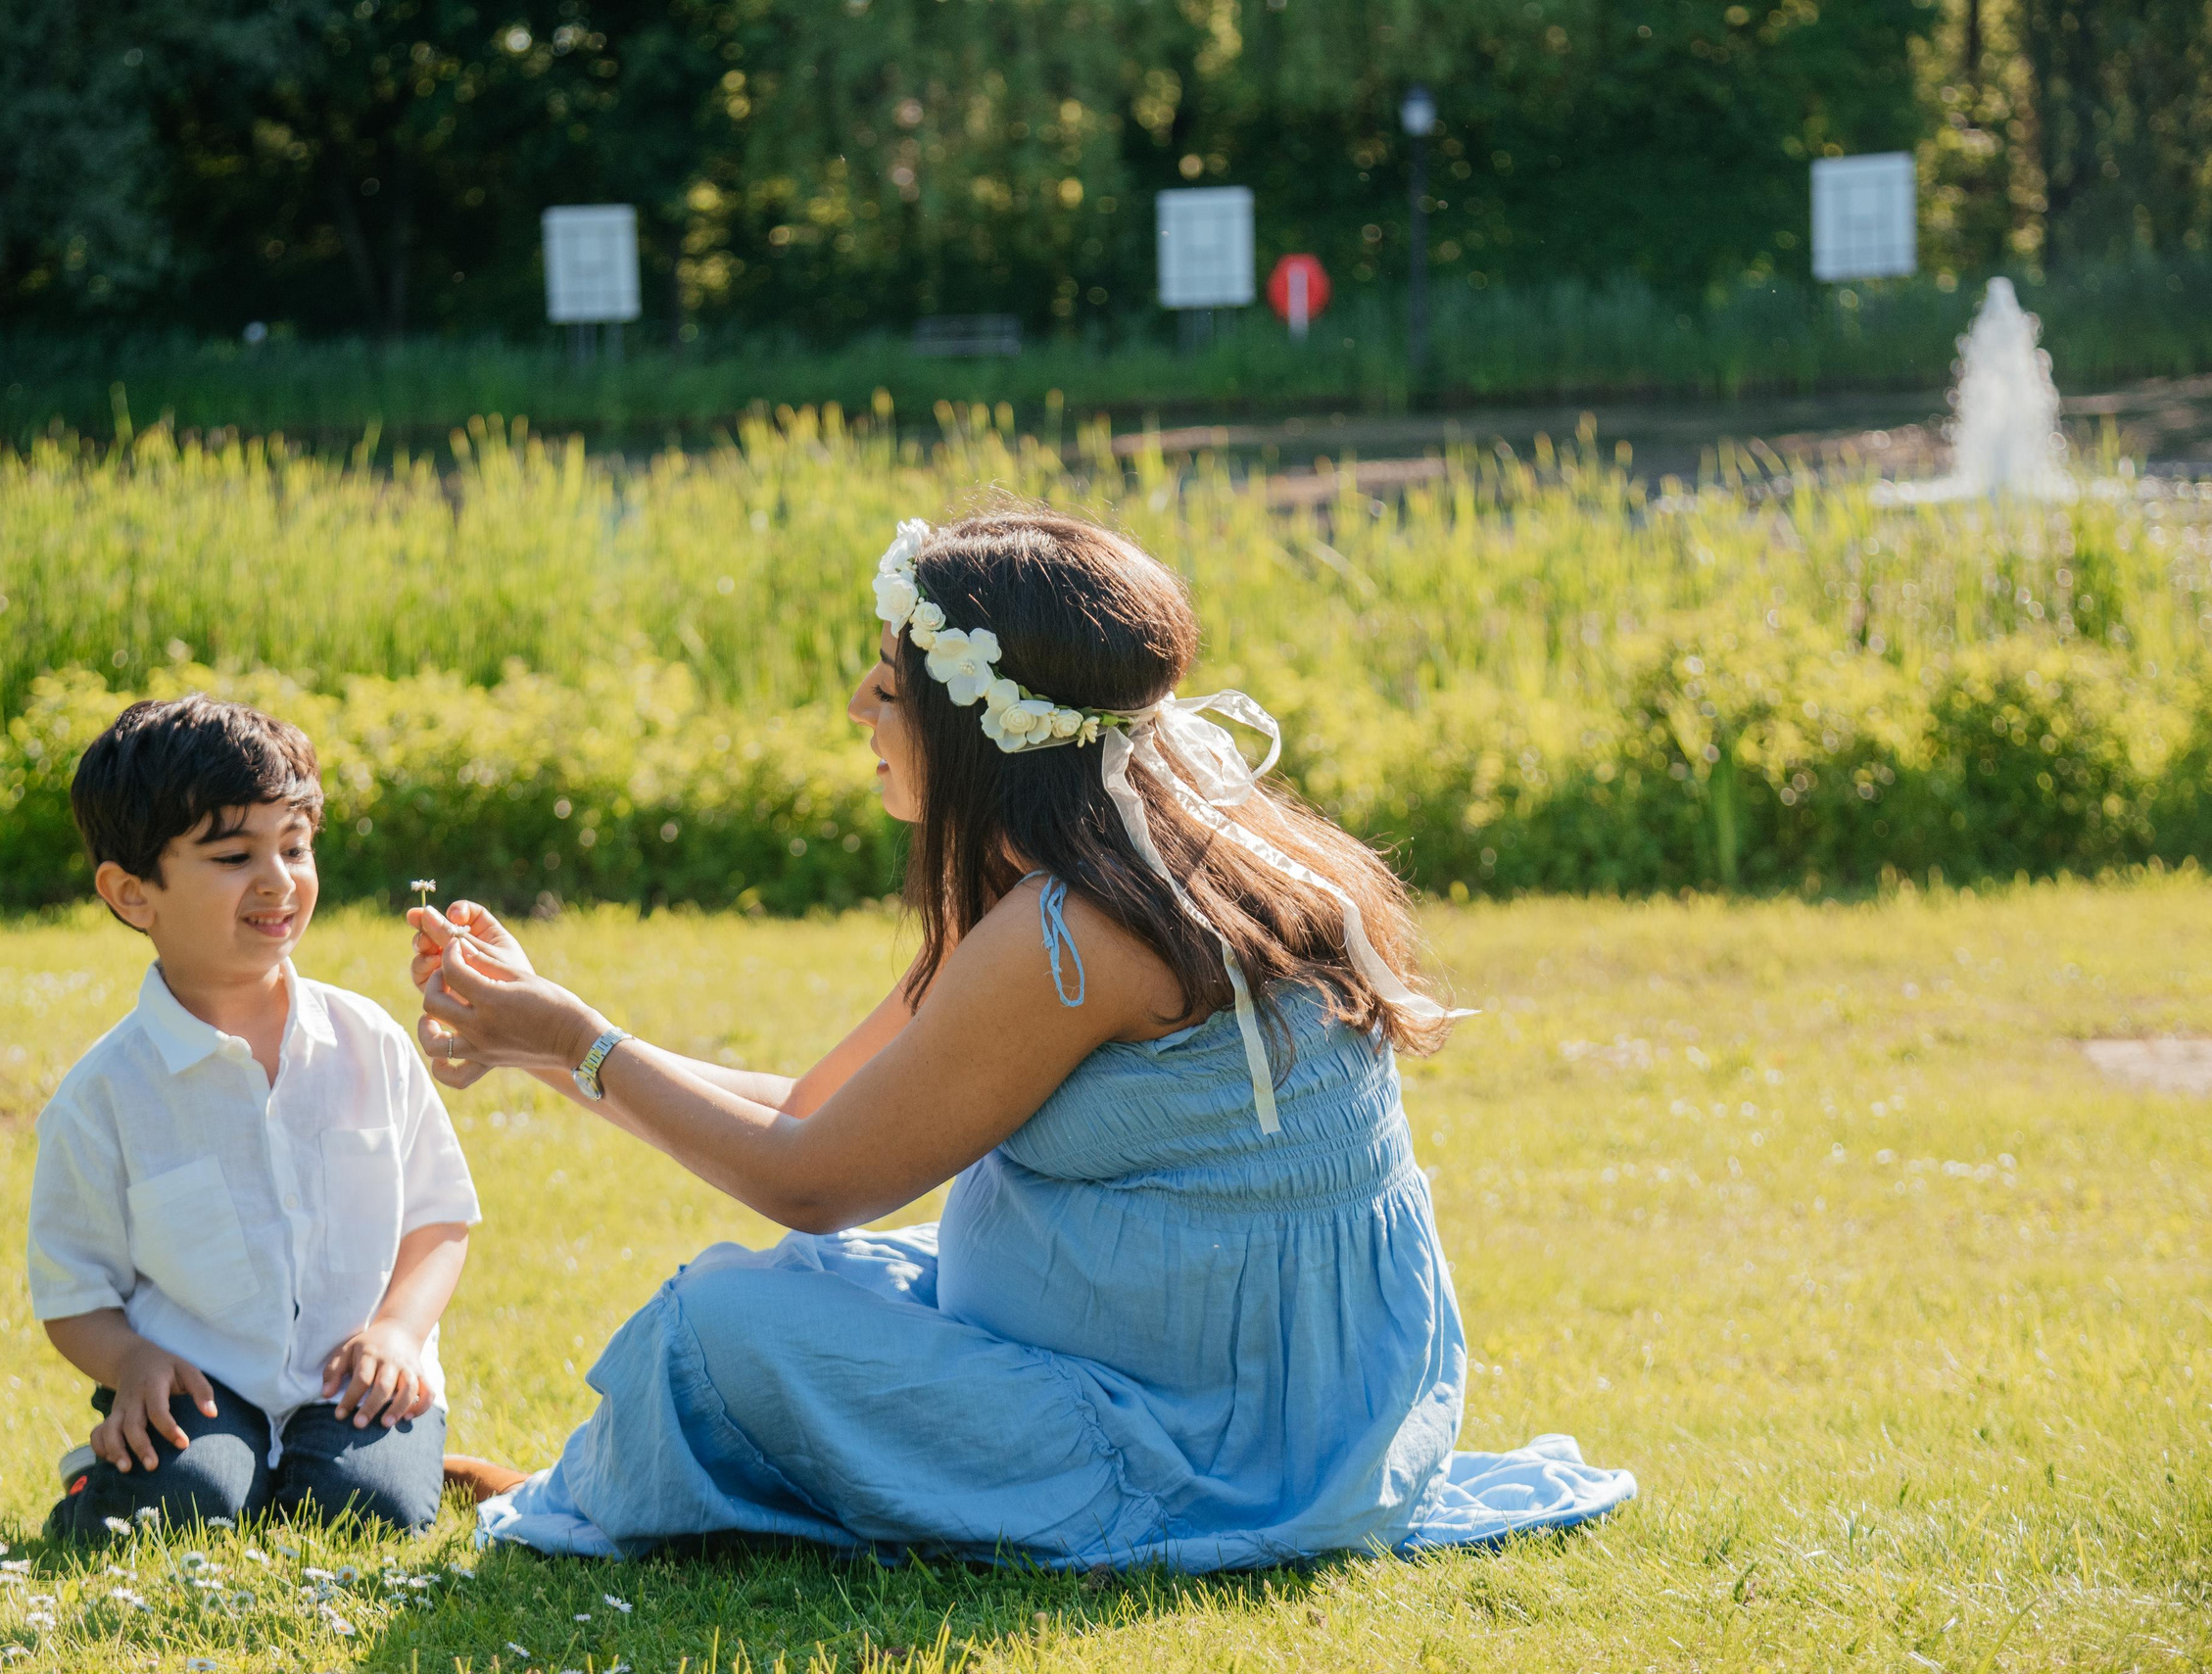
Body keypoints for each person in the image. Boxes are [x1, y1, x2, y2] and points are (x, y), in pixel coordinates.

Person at [417, 509, 1634, 1568]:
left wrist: (580, 1040)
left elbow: (814, 1178)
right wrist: (543, 1038)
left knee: (722, 1320)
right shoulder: (1121, 845)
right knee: (773, 1307)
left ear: (979, 728)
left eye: (890, 687)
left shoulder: (1073, 926)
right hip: (1229, 1387)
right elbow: (815, 1102)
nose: (858, 706)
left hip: (1202, 1436)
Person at [29, 694, 481, 1540]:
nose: (278, 880)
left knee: (368, 1511)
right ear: (133, 894)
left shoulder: (368, 1044)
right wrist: (130, 1361)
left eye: (296, 847)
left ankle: (395, 1461)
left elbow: (440, 1216)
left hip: (358, 1378)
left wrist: (397, 1329)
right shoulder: (104, 1096)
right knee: (186, 1505)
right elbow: (74, 1291)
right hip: (195, 1387)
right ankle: (108, 1483)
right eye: (234, 854)